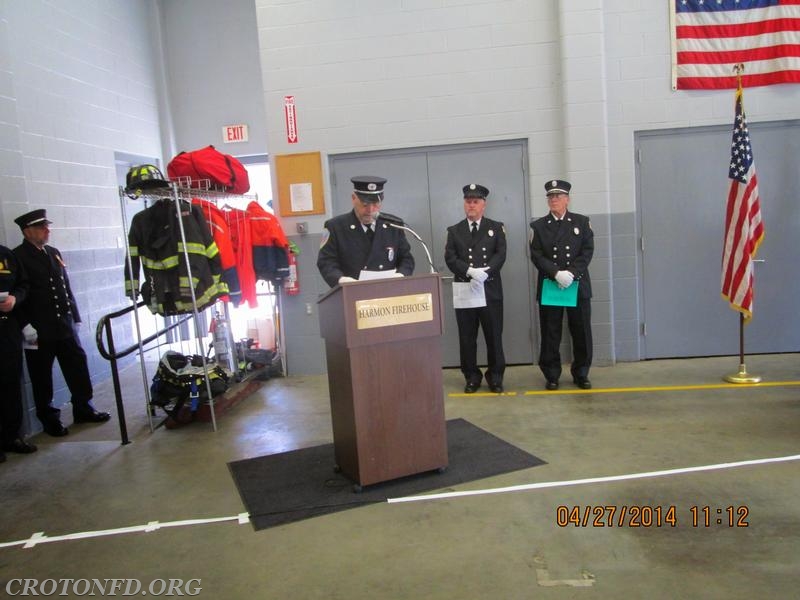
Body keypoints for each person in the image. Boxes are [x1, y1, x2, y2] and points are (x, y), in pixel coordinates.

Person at [13, 209, 110, 437]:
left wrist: (75, 316)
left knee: (77, 365)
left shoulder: (53, 252)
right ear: (28, 231)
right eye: (41, 228)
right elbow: (19, 292)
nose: (47, 231)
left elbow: (65, 287)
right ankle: (49, 420)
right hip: (38, 329)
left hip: (63, 325)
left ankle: (83, 408)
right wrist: (24, 325)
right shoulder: (18, 257)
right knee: (42, 376)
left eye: (47, 227)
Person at [529, 179, 594, 390]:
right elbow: (536, 254)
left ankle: (581, 372)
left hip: (577, 284)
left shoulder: (582, 223)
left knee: (581, 331)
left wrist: (572, 273)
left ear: (567, 199)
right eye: (550, 196)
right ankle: (552, 374)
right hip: (551, 284)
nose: (553, 200)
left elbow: (587, 251)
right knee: (550, 332)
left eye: (558, 196)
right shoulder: (538, 226)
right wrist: (556, 273)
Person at [444, 184, 507, 393]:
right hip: (465, 289)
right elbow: (450, 258)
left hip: (489, 290)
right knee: (467, 337)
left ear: (484, 204)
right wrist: (469, 271)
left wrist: (486, 272)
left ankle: (495, 376)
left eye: (475, 201)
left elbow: (501, 254)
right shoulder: (454, 231)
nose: (471, 205)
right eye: (468, 201)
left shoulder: (496, 227)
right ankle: (471, 376)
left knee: (494, 336)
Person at [317, 176, 415, 287]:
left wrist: (400, 275)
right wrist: (341, 280)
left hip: (388, 291)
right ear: (354, 198)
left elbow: (406, 259)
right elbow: (326, 262)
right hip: (352, 292)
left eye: (375, 204)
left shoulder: (393, 225)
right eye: (365, 205)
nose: (370, 210)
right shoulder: (335, 227)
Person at [0, 244, 37, 461]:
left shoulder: (5, 255)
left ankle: (12, 436)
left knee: (10, 383)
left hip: (7, 328)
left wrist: (15, 298)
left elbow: (23, 284)